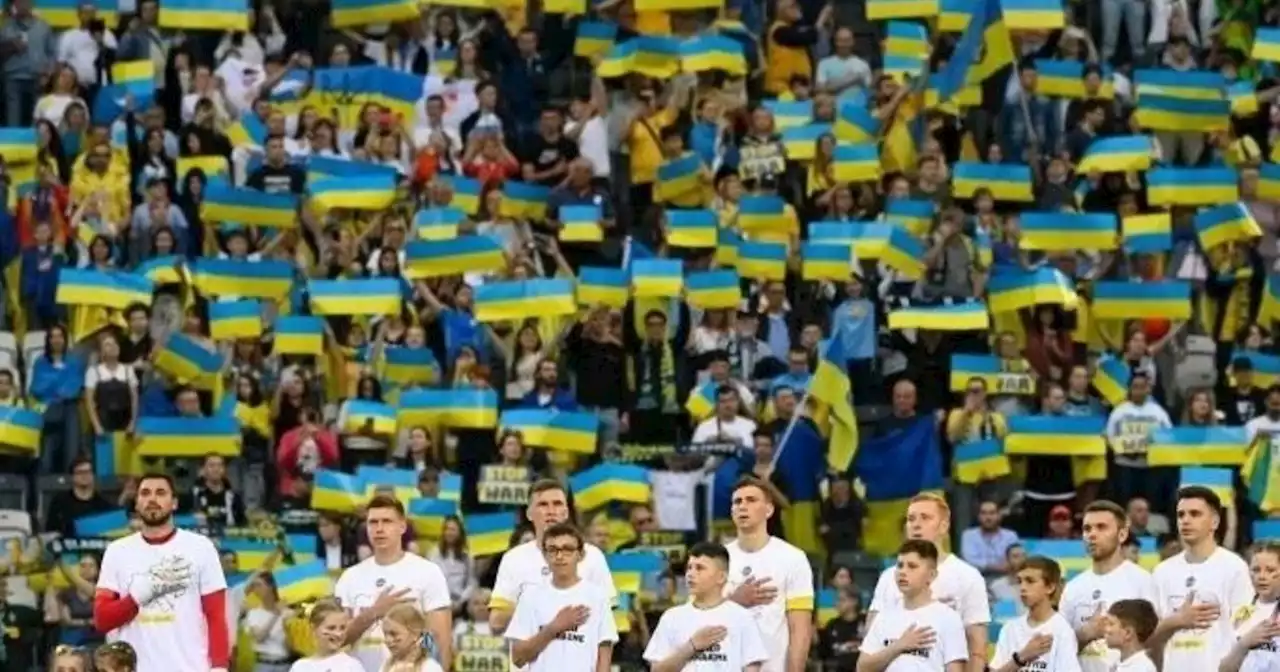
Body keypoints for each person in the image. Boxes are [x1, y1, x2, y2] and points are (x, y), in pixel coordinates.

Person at [91, 472, 230, 672]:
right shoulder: (116, 551)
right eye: (145, 493)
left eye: (160, 493)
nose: (152, 499)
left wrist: (219, 667)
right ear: (137, 503)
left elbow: (216, 615)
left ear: (174, 503)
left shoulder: (201, 548)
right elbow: (102, 620)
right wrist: (136, 598)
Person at [867, 493, 990, 672]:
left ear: (944, 526)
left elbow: (977, 647)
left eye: (925, 518)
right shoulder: (888, 577)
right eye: (911, 519)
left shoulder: (967, 576)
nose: (916, 524)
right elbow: (871, 639)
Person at [335, 494, 453, 672]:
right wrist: (374, 612)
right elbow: (338, 639)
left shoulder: (428, 572)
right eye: (373, 522)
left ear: (402, 526)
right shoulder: (350, 577)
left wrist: (425, 665)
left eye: (387, 521)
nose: (379, 529)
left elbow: (439, 637)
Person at [489, 479, 615, 634]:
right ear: (529, 513)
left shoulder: (593, 556)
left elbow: (606, 618)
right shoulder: (514, 559)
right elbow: (497, 621)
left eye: (557, 504)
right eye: (543, 505)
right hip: (530, 655)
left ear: (566, 512)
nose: (551, 511)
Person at [1148, 486, 1253, 670]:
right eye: (1181, 515)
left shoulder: (1234, 567)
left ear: (1214, 522)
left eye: (1195, 514)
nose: (1185, 520)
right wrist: (1175, 621)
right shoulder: (1161, 572)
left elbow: (1245, 632)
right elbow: (1148, 638)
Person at [723, 476, 814, 672]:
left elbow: (800, 630)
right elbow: (698, 618)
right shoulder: (717, 560)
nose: (742, 506)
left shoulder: (793, 558)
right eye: (737, 501)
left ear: (769, 510)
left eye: (751, 500)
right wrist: (734, 602)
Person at [1059, 500, 1159, 672]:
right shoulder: (1073, 587)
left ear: (1122, 535)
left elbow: (1155, 641)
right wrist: (1085, 635)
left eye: (1101, 527)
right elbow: (1057, 651)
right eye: (1087, 529)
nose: (1092, 534)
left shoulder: (1142, 581)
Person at [505, 522, 617, 671]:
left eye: (567, 549)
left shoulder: (597, 596)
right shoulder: (530, 596)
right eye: (553, 550)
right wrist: (553, 628)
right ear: (544, 555)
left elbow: (604, 657)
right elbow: (518, 658)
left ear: (581, 554)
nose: (559, 556)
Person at [643, 541, 768, 671]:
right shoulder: (671, 617)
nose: (691, 574)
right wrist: (691, 647)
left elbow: (752, 668)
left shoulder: (741, 617)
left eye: (699, 568)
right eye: (689, 567)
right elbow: (656, 670)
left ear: (721, 577)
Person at [856, 539, 968, 672]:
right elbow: (862, 668)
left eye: (912, 566)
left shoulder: (948, 618)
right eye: (900, 565)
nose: (902, 572)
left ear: (931, 575)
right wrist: (898, 646)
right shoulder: (884, 616)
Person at [990, 556, 1081, 672]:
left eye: (1030, 581)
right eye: (1020, 581)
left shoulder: (1062, 630)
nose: (1022, 587)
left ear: (1050, 587)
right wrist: (1022, 657)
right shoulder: (1010, 629)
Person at [1219, 541, 1280, 672]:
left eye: (1270, 570)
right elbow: (1224, 669)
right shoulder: (1240, 611)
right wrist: (1244, 644)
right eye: (1256, 570)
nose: (1262, 577)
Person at [381, 603, 447, 672]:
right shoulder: (385, 667)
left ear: (415, 635)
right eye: (385, 634)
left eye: (394, 634)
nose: (387, 640)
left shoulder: (430, 667)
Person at [1103, 600, 1159, 672]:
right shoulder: (1117, 664)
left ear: (1128, 633)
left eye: (1111, 624)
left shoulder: (1143, 668)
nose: (1106, 630)